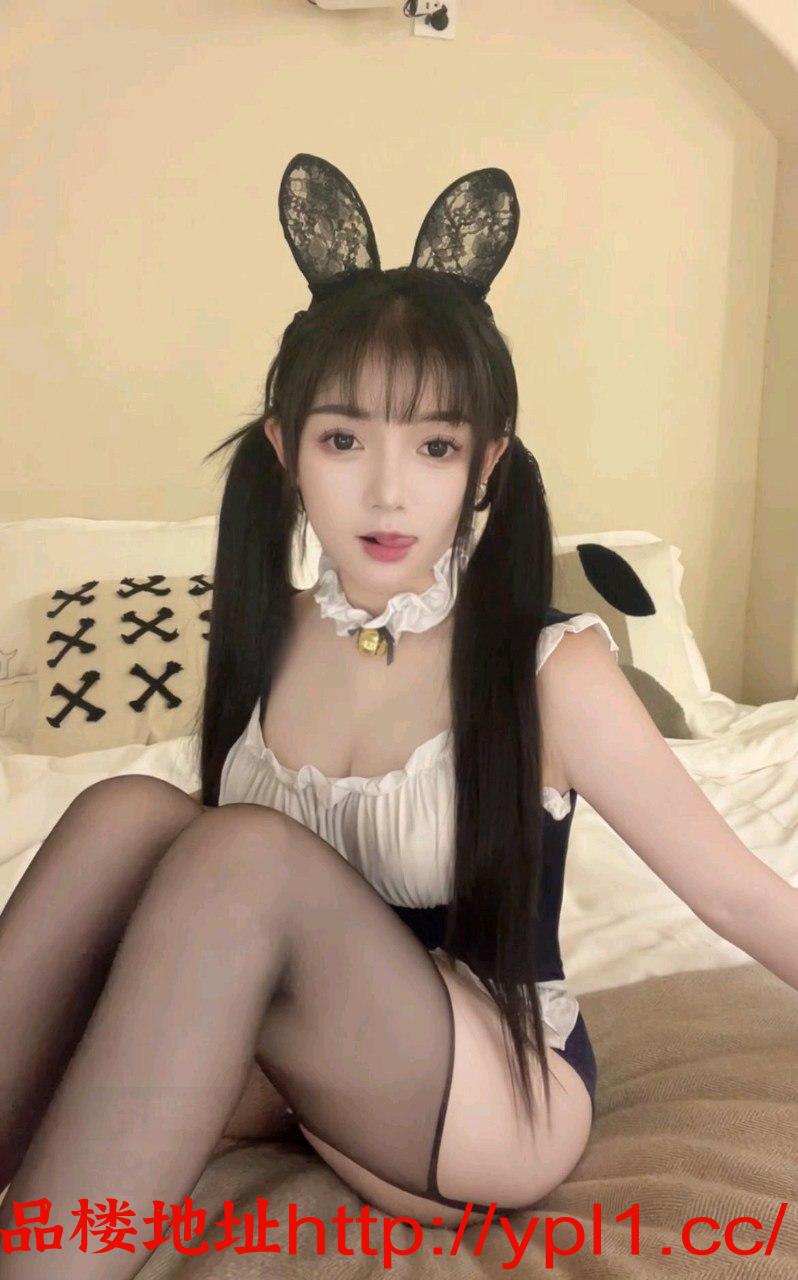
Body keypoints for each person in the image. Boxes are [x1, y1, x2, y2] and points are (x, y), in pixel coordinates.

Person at [2, 154, 794, 1277]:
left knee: (238, 851)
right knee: (126, 810)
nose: (388, 492)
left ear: (486, 464)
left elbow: (736, 892)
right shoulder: (268, 629)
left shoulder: (546, 665)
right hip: (310, 1070)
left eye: (434, 446)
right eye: (344, 440)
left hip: (488, 1091)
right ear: (285, 449)